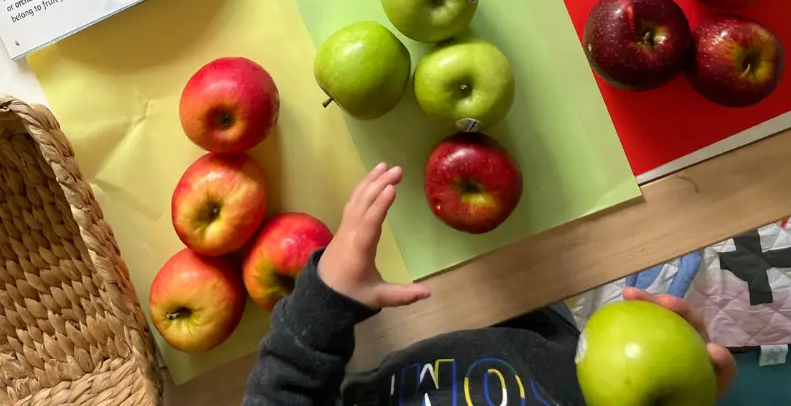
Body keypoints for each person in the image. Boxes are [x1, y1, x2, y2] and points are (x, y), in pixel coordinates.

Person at [244, 163, 737, 405]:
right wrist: (688, 386)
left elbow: (280, 395)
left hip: (468, 318)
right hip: (590, 367)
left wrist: (325, 301)